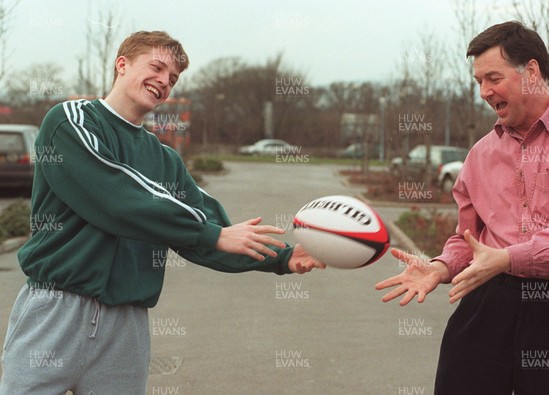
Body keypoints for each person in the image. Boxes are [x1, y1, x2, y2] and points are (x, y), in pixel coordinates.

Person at [0, 31, 324, 395]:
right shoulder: (70, 121)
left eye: (172, 79)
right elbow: (119, 197)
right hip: (56, 309)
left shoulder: (165, 160)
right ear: (121, 65)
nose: (164, 82)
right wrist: (211, 233)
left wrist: (283, 257)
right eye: (156, 67)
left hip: (126, 325)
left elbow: (208, 224)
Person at [376, 21, 549, 395]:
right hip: (488, 297)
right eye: (478, 81)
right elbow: (468, 239)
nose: (484, 92)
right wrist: (441, 266)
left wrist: (508, 257)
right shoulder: (480, 153)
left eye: (492, 78)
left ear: (531, 71)